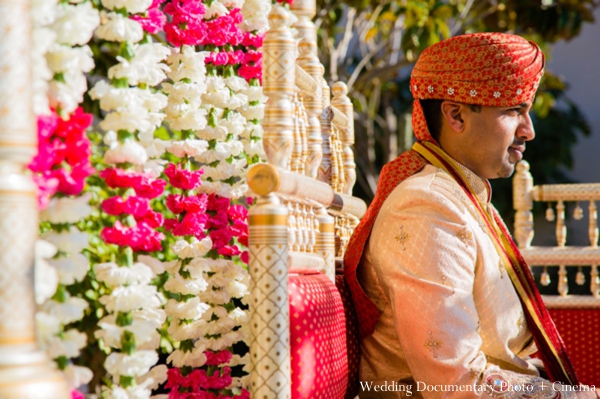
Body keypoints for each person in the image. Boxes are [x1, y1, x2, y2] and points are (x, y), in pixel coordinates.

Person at [343, 33, 597, 398]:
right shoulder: (427, 208)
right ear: (456, 114)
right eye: (513, 111)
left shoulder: (464, 199)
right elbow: (455, 382)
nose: (529, 131)